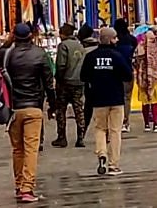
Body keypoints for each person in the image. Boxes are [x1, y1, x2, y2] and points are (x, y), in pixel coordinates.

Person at [0, 23, 56, 203]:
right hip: (33, 107)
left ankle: (19, 185)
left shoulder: (7, 53)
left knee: (18, 149)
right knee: (31, 150)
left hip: (13, 108)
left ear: (14, 36)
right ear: (31, 36)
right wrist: (53, 105)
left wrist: (7, 44)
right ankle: (27, 187)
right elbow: (48, 83)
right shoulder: (40, 54)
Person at [81, 27, 134, 176]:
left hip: (98, 99)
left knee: (100, 128)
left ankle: (102, 153)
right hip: (116, 98)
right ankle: (113, 165)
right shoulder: (117, 56)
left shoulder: (91, 56)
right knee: (115, 131)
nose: (117, 40)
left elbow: (83, 76)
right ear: (110, 40)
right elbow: (128, 75)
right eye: (115, 38)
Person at [52, 23, 89, 147]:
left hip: (65, 82)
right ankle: (80, 137)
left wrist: (58, 79)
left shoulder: (63, 46)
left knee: (61, 110)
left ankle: (62, 137)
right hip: (79, 82)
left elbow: (61, 65)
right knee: (79, 110)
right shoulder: (80, 46)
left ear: (63, 34)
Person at [134, 24, 157, 132]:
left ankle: (147, 123)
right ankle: (155, 123)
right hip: (155, 76)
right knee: (154, 100)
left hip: (143, 76)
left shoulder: (140, 45)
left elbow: (136, 59)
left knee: (145, 101)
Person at [113, 19, 138, 131]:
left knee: (117, 98)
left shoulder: (114, 41)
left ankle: (117, 121)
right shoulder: (132, 40)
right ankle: (125, 122)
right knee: (127, 98)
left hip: (115, 73)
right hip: (128, 71)